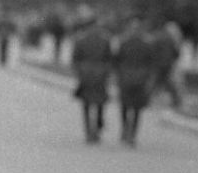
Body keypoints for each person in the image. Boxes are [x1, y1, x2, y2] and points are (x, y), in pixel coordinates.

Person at [71, 10, 112, 143]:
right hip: (100, 74)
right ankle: (96, 128)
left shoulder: (80, 39)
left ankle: (89, 131)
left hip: (86, 74)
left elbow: (75, 59)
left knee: (87, 105)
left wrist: (80, 72)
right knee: (99, 103)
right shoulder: (105, 39)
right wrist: (106, 71)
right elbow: (109, 58)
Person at [114, 17, 154, 146]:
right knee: (135, 108)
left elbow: (117, 61)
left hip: (127, 77)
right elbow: (151, 63)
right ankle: (131, 133)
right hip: (138, 79)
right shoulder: (146, 44)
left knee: (127, 106)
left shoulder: (124, 43)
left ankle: (127, 131)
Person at [151, 21, 183, 108]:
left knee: (156, 83)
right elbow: (176, 53)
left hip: (159, 65)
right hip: (168, 65)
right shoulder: (171, 40)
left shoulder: (158, 38)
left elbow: (153, 51)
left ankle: (149, 100)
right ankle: (176, 101)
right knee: (168, 83)